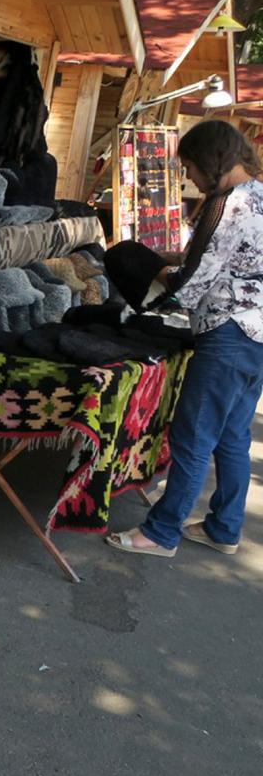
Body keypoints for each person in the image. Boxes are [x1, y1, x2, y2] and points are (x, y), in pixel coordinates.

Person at [107, 120, 263, 557]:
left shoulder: (228, 205)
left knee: (193, 437)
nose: (189, 177)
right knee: (231, 436)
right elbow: (231, 262)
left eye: (190, 166)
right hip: (257, 335)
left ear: (210, 160)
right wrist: (176, 259)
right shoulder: (258, 195)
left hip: (229, 334)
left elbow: (188, 285)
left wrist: (145, 264)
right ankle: (224, 529)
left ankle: (160, 533)